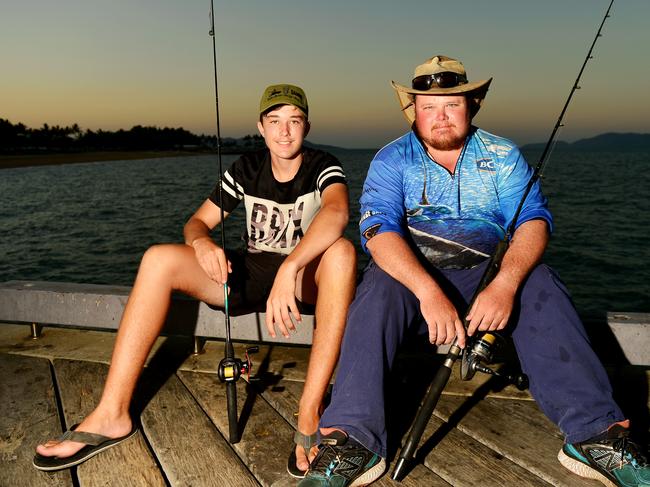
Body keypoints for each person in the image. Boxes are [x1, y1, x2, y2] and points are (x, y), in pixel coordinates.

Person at [298, 56, 649, 487]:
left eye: (451, 104)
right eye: (428, 106)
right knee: (377, 292)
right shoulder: (392, 159)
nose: (440, 116)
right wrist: (428, 293)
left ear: (472, 104)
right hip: (413, 277)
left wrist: (505, 283)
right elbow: (377, 230)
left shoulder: (502, 155)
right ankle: (352, 439)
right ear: (413, 110)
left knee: (542, 285)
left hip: (488, 275)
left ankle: (595, 434)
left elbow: (534, 221)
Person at [33, 84, 356, 478]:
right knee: (158, 259)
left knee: (342, 253)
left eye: (294, 121)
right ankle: (111, 413)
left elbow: (337, 213)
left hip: (306, 278)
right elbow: (196, 221)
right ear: (261, 126)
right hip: (250, 276)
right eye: (274, 121)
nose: (284, 132)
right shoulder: (247, 167)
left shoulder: (323, 165)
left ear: (307, 126)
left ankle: (309, 412)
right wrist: (201, 242)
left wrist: (290, 268)